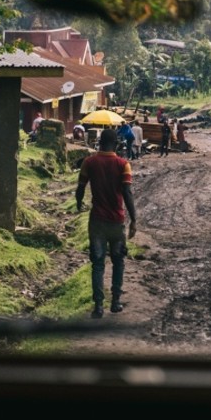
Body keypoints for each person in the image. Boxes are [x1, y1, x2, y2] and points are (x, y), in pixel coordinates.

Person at [76, 126, 137, 318]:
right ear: (116, 144)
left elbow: (80, 187)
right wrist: (134, 219)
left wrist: (78, 203)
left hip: (97, 223)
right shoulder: (123, 164)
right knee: (118, 262)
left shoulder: (89, 162)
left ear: (100, 142)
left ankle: (98, 307)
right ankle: (116, 302)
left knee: (98, 264)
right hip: (116, 222)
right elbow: (127, 193)